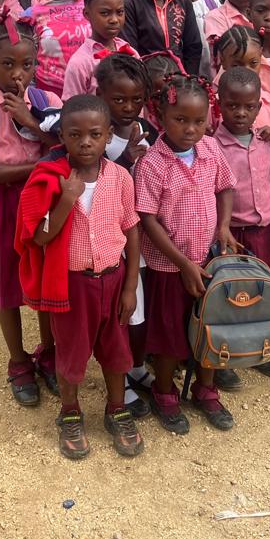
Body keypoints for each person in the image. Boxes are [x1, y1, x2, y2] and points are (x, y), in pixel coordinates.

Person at [17, 95, 144, 460]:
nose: (85, 142)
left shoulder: (120, 177)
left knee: (117, 350)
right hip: (72, 286)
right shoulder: (52, 180)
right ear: (63, 136)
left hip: (114, 280)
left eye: (94, 134)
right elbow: (39, 237)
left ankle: (116, 407)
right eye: (75, 134)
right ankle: (70, 412)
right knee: (71, 353)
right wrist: (66, 200)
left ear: (107, 137)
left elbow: (132, 230)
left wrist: (131, 286)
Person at [0, 7, 62, 406]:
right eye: (8, 65)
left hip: (45, 208)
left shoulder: (49, 101)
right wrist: (37, 164)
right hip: (7, 210)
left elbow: (67, 148)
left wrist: (33, 121)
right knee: (9, 288)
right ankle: (18, 360)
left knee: (44, 285)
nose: (18, 74)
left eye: (27, 64)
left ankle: (49, 353)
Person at [135, 74, 238, 434]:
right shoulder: (152, 164)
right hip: (169, 266)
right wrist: (183, 264)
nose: (191, 129)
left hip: (209, 258)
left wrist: (223, 226)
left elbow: (225, 188)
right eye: (181, 120)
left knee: (212, 326)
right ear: (160, 115)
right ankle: (164, 392)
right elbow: (147, 218)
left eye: (199, 120)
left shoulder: (211, 150)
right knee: (169, 337)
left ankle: (205, 389)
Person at [211, 67, 270, 390]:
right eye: (232, 105)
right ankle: (224, 356)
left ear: (259, 105)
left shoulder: (266, 142)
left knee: (261, 292)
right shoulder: (212, 145)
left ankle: (262, 349)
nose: (240, 113)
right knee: (231, 295)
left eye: (249, 106)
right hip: (231, 233)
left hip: (262, 229)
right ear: (219, 104)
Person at [94, 53, 158, 418]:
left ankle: (135, 368)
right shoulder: (95, 136)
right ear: (100, 94)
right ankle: (119, 378)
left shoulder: (147, 130)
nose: (129, 107)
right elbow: (93, 181)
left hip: (141, 240)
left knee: (138, 313)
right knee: (120, 315)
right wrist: (124, 161)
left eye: (136, 99)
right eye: (119, 99)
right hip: (108, 244)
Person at [62, 0, 138, 99]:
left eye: (120, 12)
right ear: (87, 14)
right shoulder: (80, 63)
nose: (114, 20)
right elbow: (73, 108)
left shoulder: (131, 53)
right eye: (105, 13)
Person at [211, 25, 270, 140]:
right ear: (222, 60)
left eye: (253, 63)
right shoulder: (213, 107)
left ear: (260, 55)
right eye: (236, 65)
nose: (245, 70)